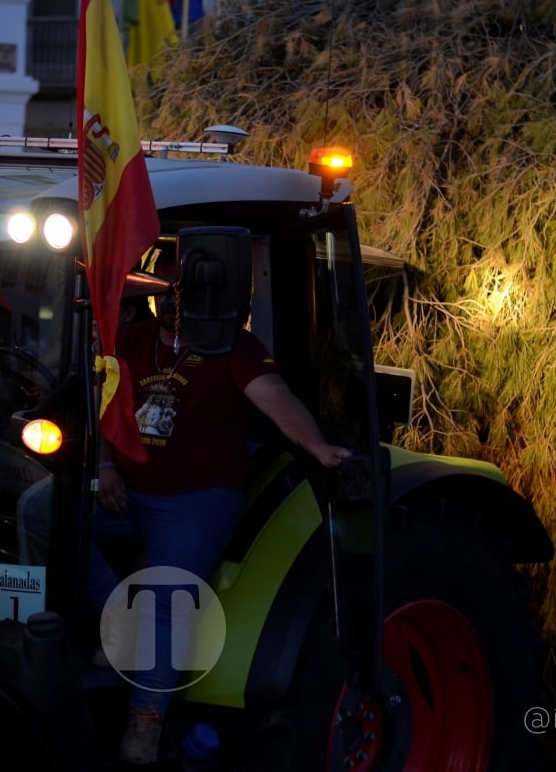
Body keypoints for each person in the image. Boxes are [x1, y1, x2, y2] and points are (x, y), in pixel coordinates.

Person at [90, 256, 353, 765]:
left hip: (197, 500)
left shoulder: (233, 346)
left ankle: (144, 726)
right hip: (128, 491)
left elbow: (278, 401)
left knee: (168, 594)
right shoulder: (134, 341)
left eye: (187, 294)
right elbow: (106, 408)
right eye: (168, 292)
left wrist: (318, 448)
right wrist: (105, 468)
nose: (174, 303)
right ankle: (119, 623)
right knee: (42, 513)